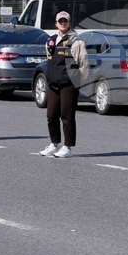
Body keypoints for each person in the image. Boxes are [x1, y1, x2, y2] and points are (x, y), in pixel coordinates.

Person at [39, 11, 89, 158]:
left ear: (69, 23)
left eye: (65, 21)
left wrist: (78, 83)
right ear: (56, 24)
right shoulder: (50, 41)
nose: (62, 23)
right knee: (51, 115)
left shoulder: (76, 41)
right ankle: (54, 144)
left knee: (67, 116)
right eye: (60, 21)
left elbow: (84, 64)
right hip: (54, 84)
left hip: (69, 85)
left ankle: (67, 147)